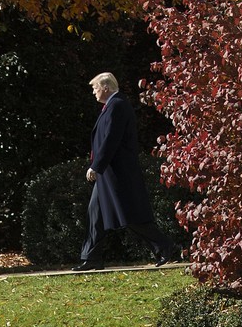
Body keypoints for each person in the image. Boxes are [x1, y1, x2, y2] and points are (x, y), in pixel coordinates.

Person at [73, 72, 177, 271]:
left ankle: (165, 247)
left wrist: (96, 166)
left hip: (117, 173)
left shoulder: (117, 106)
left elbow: (111, 139)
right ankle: (91, 257)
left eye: (95, 88)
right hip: (109, 173)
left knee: (130, 215)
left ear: (105, 88)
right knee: (96, 213)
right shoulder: (112, 106)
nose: (93, 92)